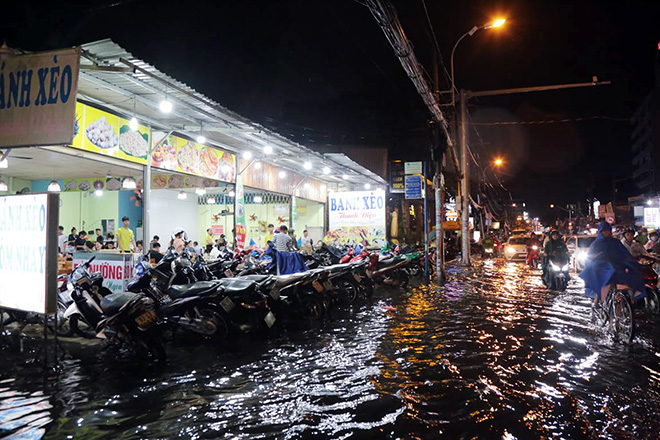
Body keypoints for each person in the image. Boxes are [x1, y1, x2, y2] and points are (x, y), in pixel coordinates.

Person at [580, 222, 645, 305]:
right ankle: (597, 300)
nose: (606, 232)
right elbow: (590, 258)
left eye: (607, 230)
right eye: (604, 231)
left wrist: (631, 263)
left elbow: (624, 254)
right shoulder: (596, 244)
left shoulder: (616, 242)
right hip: (601, 269)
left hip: (616, 268)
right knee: (602, 284)